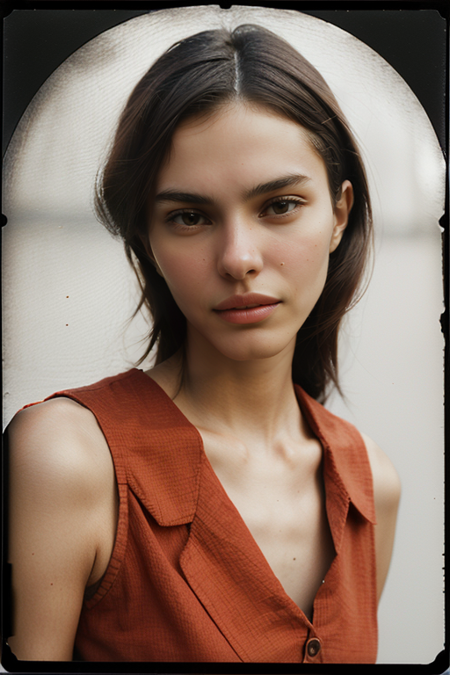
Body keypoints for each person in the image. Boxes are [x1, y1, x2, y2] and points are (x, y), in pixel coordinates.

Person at [6, 24, 400, 664]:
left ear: (339, 212)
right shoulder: (66, 461)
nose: (239, 258)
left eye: (279, 205)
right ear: (148, 242)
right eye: (189, 216)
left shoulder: (369, 484)